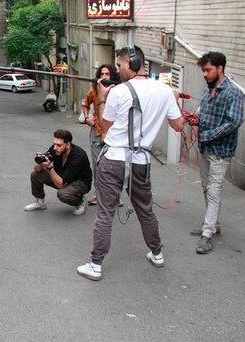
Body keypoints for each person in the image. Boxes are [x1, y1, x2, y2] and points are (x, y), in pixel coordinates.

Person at [77, 45, 184, 281]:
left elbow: (104, 126)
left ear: (131, 64)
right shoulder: (165, 91)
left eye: (119, 65)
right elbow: (179, 126)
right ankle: (157, 253)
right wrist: (174, 100)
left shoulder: (119, 91)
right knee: (145, 209)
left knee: (105, 212)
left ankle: (95, 265)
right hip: (141, 161)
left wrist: (103, 98)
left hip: (114, 158)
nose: (117, 70)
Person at [191, 52, 243, 254]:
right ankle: (213, 224)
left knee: (213, 191)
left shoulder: (232, 92)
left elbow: (235, 121)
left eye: (208, 70)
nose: (204, 74)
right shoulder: (208, 91)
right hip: (206, 149)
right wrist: (196, 120)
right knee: (206, 188)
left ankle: (207, 234)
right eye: (203, 70)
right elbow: (202, 113)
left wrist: (209, 134)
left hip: (221, 151)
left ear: (220, 68)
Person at [25, 129, 92, 215]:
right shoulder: (55, 149)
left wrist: (49, 167)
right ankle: (40, 202)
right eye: (54, 144)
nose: (55, 148)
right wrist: (40, 162)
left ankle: (79, 201)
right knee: (36, 175)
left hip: (80, 182)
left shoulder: (78, 156)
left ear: (68, 145)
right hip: (62, 177)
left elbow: (61, 185)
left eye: (59, 145)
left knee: (62, 194)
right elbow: (37, 170)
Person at [81, 64, 120, 205]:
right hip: (97, 132)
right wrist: (87, 118)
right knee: (98, 165)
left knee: (113, 166)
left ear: (113, 76)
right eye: (102, 74)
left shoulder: (118, 91)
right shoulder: (94, 90)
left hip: (113, 134)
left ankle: (114, 196)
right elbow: (85, 104)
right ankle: (98, 194)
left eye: (107, 74)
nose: (104, 77)